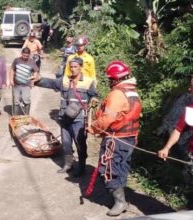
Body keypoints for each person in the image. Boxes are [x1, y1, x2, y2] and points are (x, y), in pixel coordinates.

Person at [88, 61, 142, 216]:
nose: (109, 81)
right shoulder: (132, 92)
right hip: (129, 138)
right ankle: (121, 197)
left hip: (116, 139)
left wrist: (92, 127)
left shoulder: (117, 94)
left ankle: (120, 202)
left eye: (110, 79)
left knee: (110, 168)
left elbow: (107, 118)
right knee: (122, 166)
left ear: (116, 79)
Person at [31, 57, 98, 177]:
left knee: (80, 143)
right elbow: (51, 83)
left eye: (75, 67)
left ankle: (82, 167)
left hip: (79, 120)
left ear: (81, 67)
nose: (73, 69)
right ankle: (68, 165)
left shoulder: (88, 82)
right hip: (65, 118)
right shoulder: (65, 80)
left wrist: (94, 100)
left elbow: (94, 95)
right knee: (66, 143)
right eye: (71, 67)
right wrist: (39, 80)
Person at [10, 47, 39, 115]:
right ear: (21, 53)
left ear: (29, 55)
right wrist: (11, 80)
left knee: (26, 100)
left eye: (27, 56)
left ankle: (26, 115)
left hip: (26, 85)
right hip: (16, 84)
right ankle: (15, 116)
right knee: (16, 101)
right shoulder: (16, 60)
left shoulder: (32, 61)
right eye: (24, 55)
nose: (25, 57)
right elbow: (12, 70)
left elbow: (36, 71)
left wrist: (33, 78)